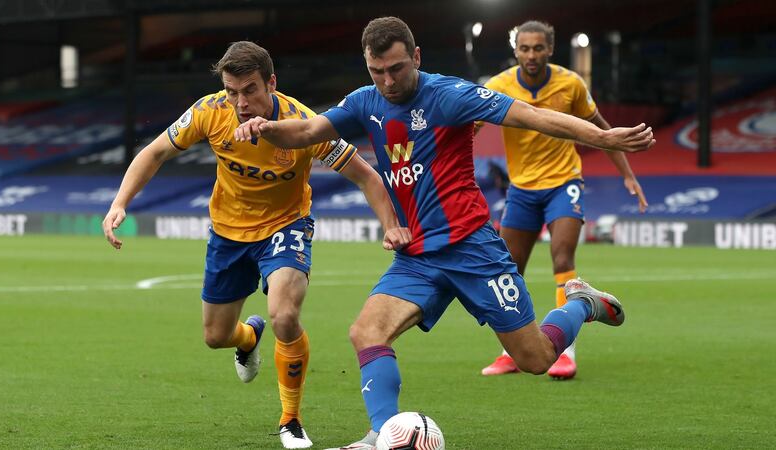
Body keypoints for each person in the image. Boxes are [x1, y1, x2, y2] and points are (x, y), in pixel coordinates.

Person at [234, 17, 654, 450]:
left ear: (416, 57)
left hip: (473, 249)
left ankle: (581, 303)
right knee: (366, 332)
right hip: (417, 256)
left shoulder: (450, 96)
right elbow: (305, 130)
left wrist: (604, 138)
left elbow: (532, 116)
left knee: (534, 358)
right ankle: (382, 432)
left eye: (396, 69)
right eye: (377, 71)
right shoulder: (365, 101)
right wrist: (266, 127)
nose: (387, 81)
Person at [101, 41, 410, 450]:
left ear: (272, 83)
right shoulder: (210, 112)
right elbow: (155, 152)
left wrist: (391, 226)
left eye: (249, 90)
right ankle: (248, 339)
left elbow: (367, 176)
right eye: (232, 91)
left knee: (284, 314)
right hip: (228, 234)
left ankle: (291, 420)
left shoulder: (304, 123)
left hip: (286, 226)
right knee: (215, 336)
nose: (240, 102)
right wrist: (120, 203)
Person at [478, 20, 648, 380]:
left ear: (550, 49)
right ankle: (512, 351)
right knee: (507, 271)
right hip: (521, 189)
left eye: (538, 48)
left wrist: (628, 175)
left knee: (562, 257)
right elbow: (466, 125)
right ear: (516, 51)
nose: (531, 55)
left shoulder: (570, 83)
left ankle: (564, 352)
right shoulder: (499, 86)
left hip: (563, 182)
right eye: (525, 48)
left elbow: (603, 132)